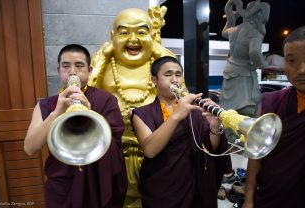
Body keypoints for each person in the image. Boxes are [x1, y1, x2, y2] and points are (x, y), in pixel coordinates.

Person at [88, 7, 176, 207]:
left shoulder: (160, 62)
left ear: (152, 36)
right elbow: (87, 97)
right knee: (119, 198)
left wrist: (157, 50)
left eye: (142, 32)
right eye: (124, 32)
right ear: (113, 36)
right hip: (115, 147)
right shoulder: (103, 62)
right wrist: (104, 56)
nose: (133, 39)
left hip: (155, 146)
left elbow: (179, 94)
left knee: (156, 197)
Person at [24, 44, 128, 207]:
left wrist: (90, 113)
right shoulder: (45, 105)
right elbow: (29, 148)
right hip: (63, 185)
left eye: (79, 66)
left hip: (98, 182)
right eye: (66, 66)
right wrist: (56, 113)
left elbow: (114, 147)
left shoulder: (106, 100)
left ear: (90, 70)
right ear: (58, 70)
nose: (72, 72)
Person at [131, 56, 227, 208]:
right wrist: (176, 115)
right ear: (154, 80)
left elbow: (210, 148)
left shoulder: (195, 111)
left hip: (196, 187)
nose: (174, 80)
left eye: (178, 74)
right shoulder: (142, 113)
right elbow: (149, 150)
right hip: (162, 189)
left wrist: (215, 126)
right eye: (168, 75)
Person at [243, 26, 305, 208]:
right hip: (270, 197)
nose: (301, 69)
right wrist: (248, 199)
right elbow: (256, 156)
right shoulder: (271, 102)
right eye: (292, 60)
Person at [220, 0, 270, 117]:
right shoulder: (254, 32)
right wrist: (262, 64)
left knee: (228, 107)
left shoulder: (234, 30)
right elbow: (254, 52)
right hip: (244, 72)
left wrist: (231, 18)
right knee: (245, 108)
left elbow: (223, 33)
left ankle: (228, 130)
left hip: (230, 69)